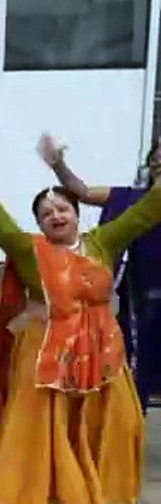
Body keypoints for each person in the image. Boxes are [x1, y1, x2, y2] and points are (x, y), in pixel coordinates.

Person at [0, 148, 155, 504]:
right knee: (43, 428)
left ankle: (97, 500)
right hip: (47, 352)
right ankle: (38, 503)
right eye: (46, 213)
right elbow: (2, 228)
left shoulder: (102, 241)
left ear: (77, 214)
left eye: (63, 208)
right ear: (39, 223)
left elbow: (144, 214)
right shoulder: (31, 251)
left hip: (101, 351)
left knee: (120, 420)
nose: (56, 216)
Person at [40, 132, 161, 407]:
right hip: (140, 298)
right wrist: (58, 164)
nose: (159, 160)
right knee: (134, 368)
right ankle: (128, 424)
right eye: (156, 155)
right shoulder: (130, 198)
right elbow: (81, 192)